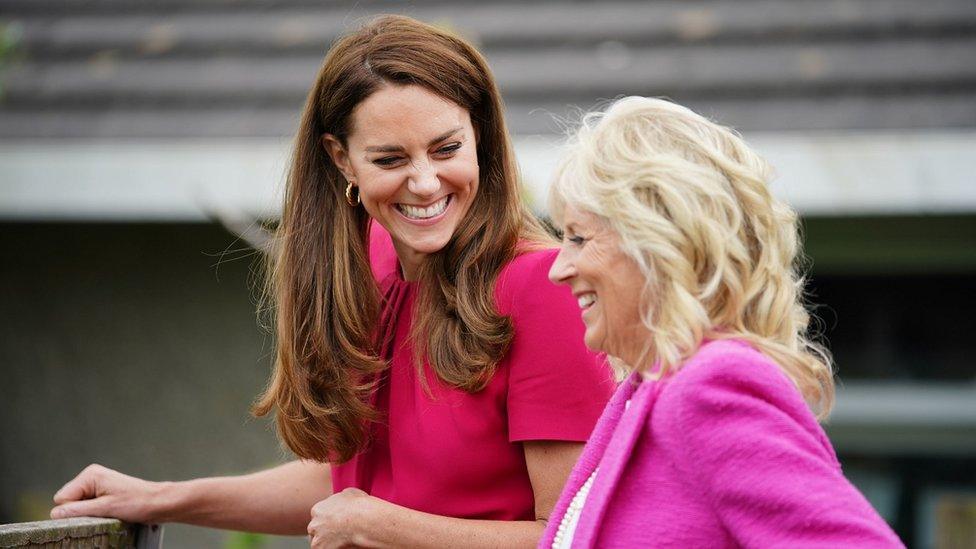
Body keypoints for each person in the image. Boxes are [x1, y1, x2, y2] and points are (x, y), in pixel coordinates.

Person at [50, 15, 614, 548]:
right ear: (341, 160)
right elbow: (348, 489)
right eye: (390, 159)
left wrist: (384, 526)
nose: (424, 182)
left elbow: (574, 534)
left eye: (447, 148)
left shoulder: (541, 286)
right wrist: (161, 498)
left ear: (481, 137)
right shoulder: (367, 264)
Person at [542, 97, 904, 547]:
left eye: (578, 237)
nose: (558, 268)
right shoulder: (644, 391)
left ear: (658, 243)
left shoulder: (710, 384)